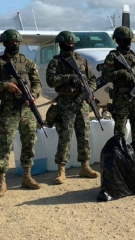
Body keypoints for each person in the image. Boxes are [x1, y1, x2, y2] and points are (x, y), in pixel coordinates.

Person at [0, 29, 42, 197]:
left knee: (29, 142)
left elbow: (37, 84)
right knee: (5, 145)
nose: (14, 45)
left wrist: (34, 95)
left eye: (17, 42)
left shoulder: (28, 63)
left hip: (27, 109)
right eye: (11, 42)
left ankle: (27, 176)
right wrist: (4, 85)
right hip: (9, 108)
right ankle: (2, 181)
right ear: (4, 43)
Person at [46, 31, 100, 184]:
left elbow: (93, 79)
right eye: (67, 43)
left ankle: (85, 166)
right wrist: (68, 77)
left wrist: (89, 90)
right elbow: (51, 80)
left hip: (82, 102)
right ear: (61, 44)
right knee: (65, 136)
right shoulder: (56, 62)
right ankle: (61, 170)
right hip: (66, 102)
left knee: (84, 135)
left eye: (72, 43)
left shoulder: (82, 60)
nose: (70, 46)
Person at [101, 26, 135, 141]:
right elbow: (106, 76)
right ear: (118, 40)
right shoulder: (113, 57)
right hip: (121, 99)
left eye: (129, 40)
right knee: (120, 131)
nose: (128, 43)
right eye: (125, 40)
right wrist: (120, 73)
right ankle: (120, 155)